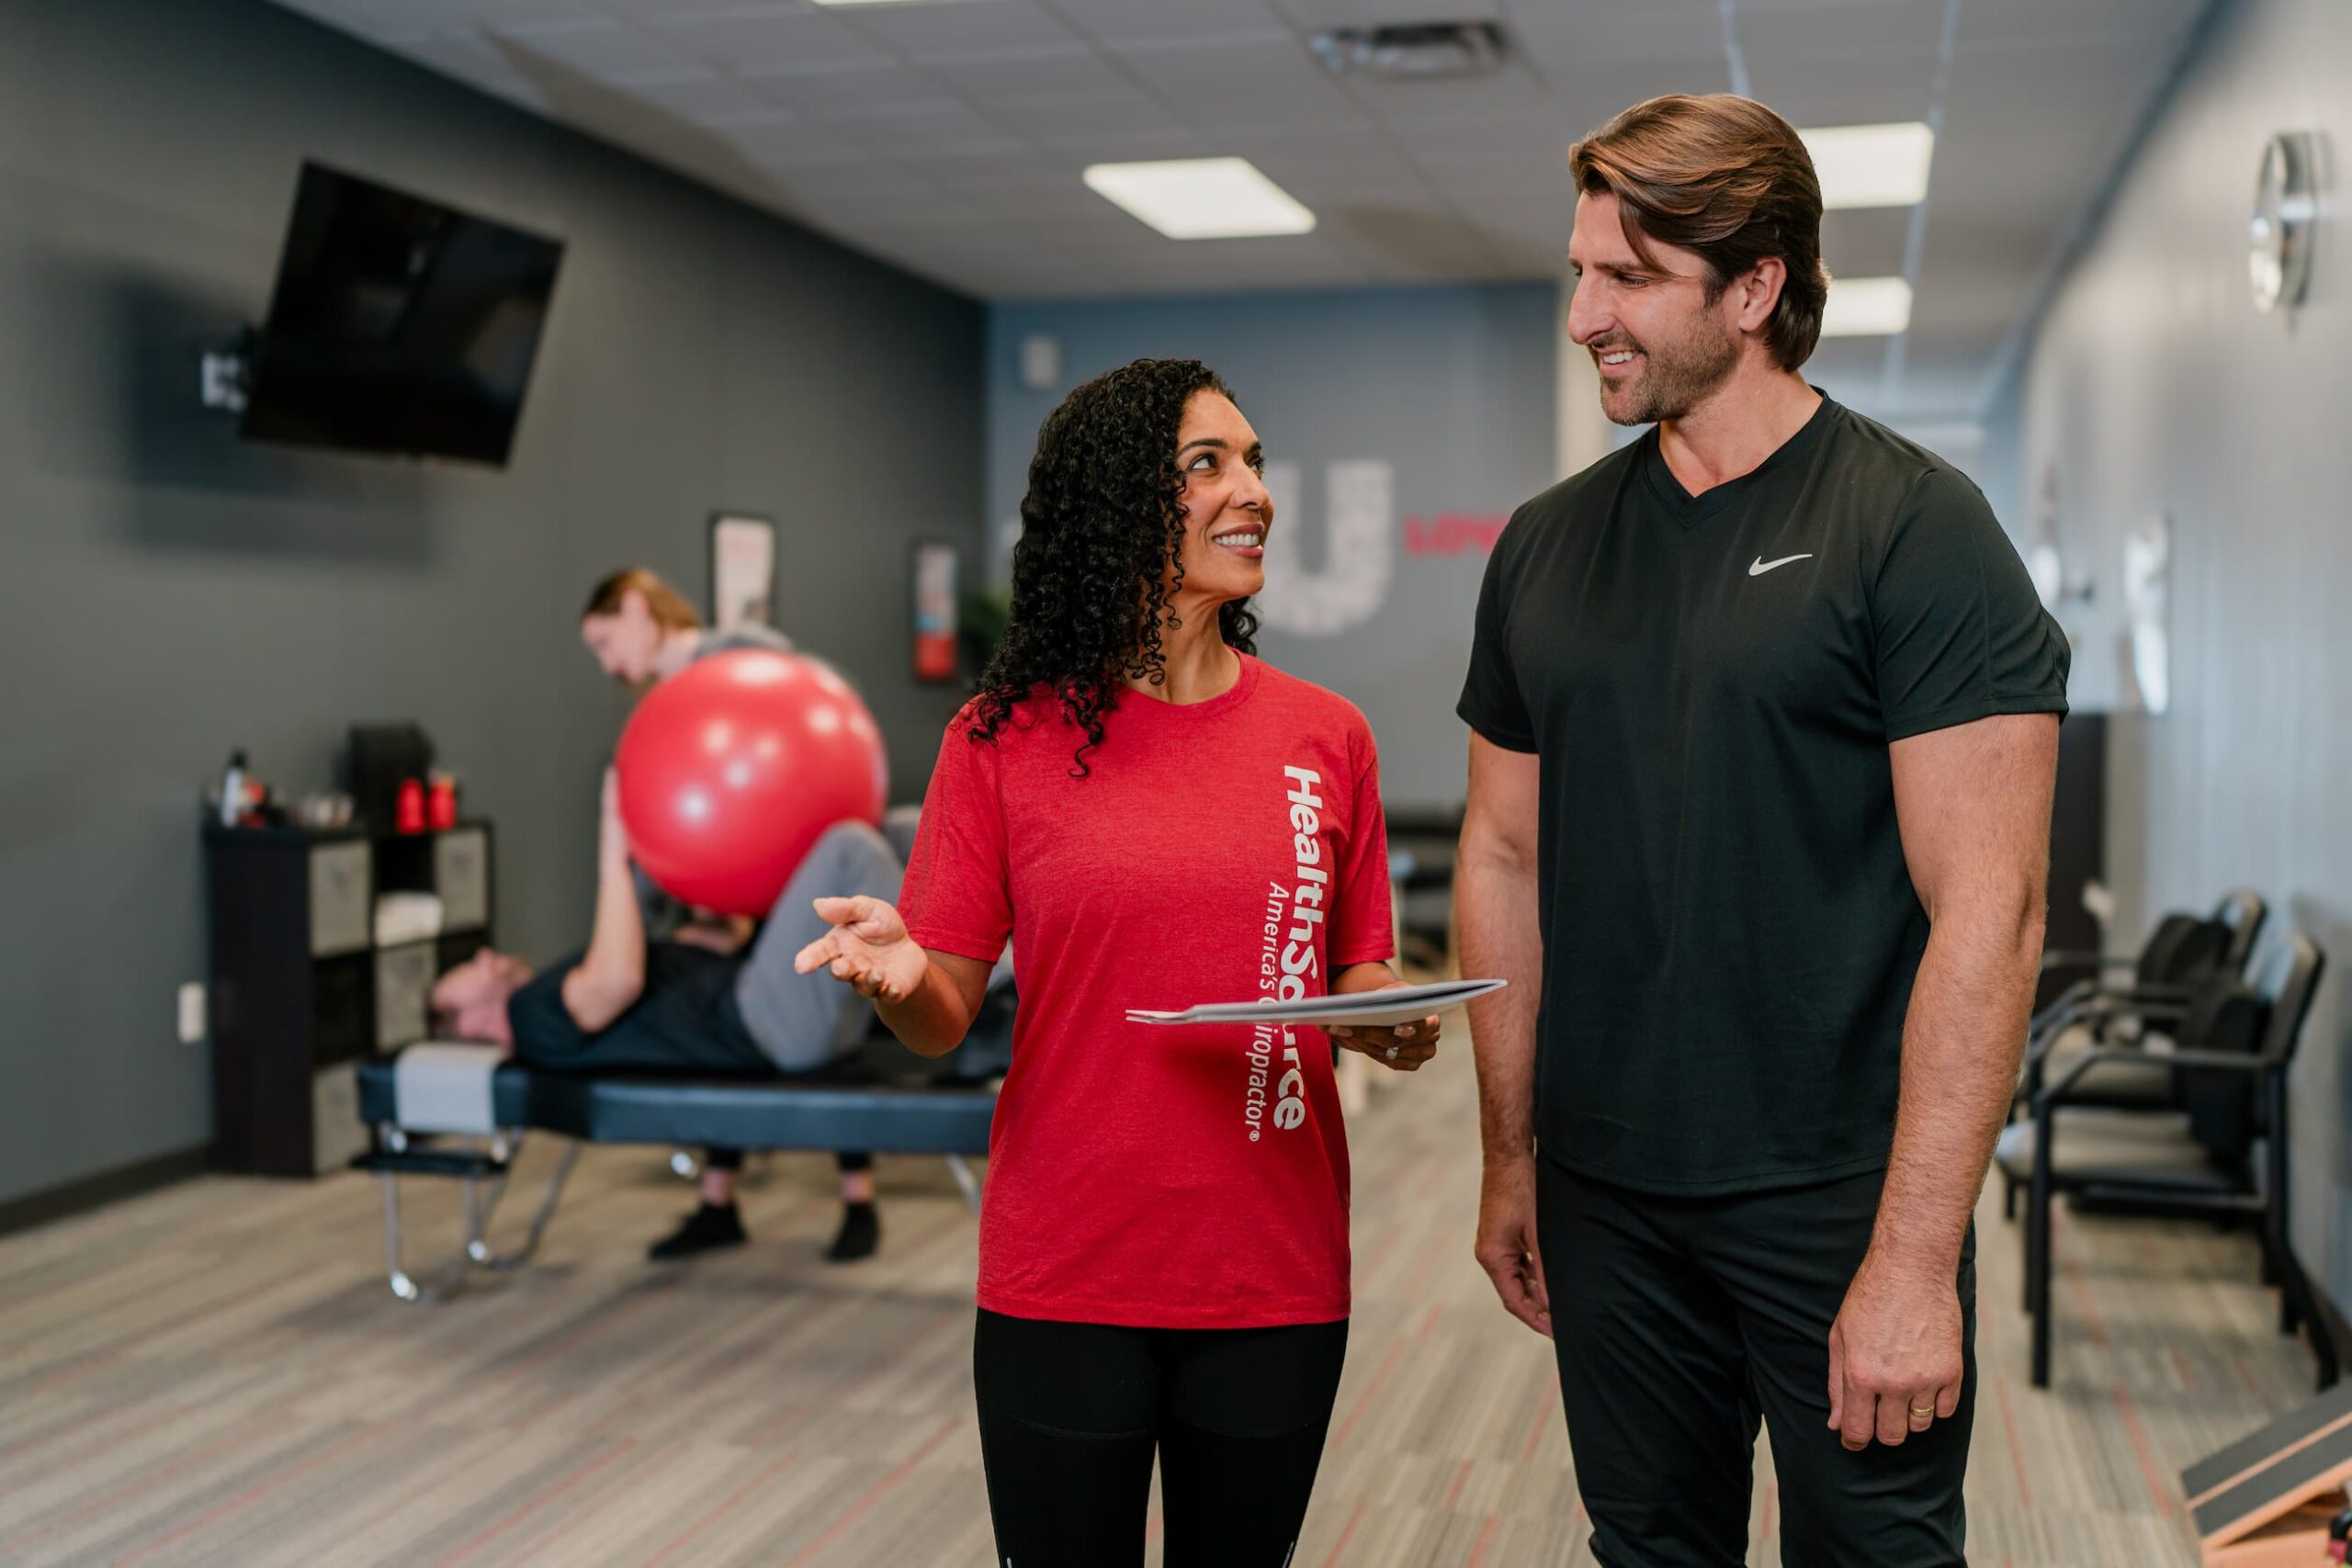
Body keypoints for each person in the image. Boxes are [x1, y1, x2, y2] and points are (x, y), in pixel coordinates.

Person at [1454, 95, 2069, 1566]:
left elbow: (1994, 911)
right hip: (1608, 1184)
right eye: (1581, 270)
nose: (1585, 315)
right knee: (1647, 1544)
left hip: (1838, 1189)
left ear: (1754, 289)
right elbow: (1505, 855)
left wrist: (1918, 1256)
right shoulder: (1545, 543)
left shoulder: (1915, 528)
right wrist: (1508, 1155)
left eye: (1628, 279)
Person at [791, 358, 1439, 1567]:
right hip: (1065, 1263)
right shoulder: (1000, 738)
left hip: (1273, 1265)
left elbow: (1356, 970)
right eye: (1209, 464)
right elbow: (943, 1009)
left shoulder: (1325, 735)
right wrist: (896, 973)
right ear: (1119, 505)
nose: (1252, 489)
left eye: (1253, 459)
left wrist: (1393, 1014)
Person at [577, 568, 881, 1263]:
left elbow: (815, 722)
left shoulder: (740, 651)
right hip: (739, 905)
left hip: (802, 878)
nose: (606, 661)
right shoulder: (662, 711)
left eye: (604, 638)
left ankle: (858, 1201)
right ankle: (718, 1202)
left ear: (634, 605)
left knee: (832, 1029)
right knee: (726, 1037)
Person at [428, 770, 901, 1171]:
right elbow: (618, 980)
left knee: (899, 831)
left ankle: (957, 958)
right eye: (470, 969)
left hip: (780, 1008)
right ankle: (964, 976)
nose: (485, 956)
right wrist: (614, 845)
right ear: (469, 1023)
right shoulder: (530, 1017)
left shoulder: (544, 1006)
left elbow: (664, 966)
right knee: (850, 848)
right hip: (768, 1022)